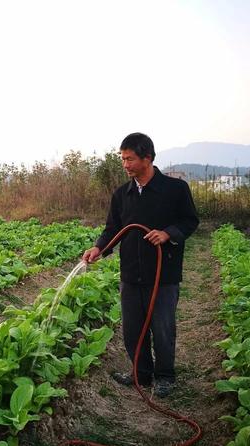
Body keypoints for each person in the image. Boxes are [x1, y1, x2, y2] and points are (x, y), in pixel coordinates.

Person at [82, 132, 199, 398]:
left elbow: (190, 221)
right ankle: (141, 373)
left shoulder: (175, 189)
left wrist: (168, 233)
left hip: (163, 272)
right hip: (131, 272)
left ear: (147, 157)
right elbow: (113, 228)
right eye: (122, 159)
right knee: (133, 328)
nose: (125, 165)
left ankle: (165, 376)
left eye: (129, 159)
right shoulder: (122, 194)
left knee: (162, 326)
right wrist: (99, 248)